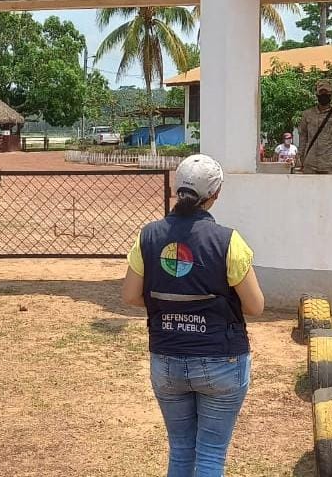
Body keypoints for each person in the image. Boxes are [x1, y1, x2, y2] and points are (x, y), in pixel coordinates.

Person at [122, 154, 265, 477]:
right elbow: (255, 306)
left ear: (176, 189)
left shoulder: (149, 236)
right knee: (211, 454)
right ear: (215, 194)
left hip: (167, 358)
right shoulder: (229, 241)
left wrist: (173, 307)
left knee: (181, 449)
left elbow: (130, 295)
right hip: (221, 360)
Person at [298, 79, 332, 174]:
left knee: (330, 188)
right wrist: (301, 156)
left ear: (331, 95)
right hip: (310, 163)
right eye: (321, 93)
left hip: (329, 164)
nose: (324, 95)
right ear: (317, 95)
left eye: (327, 93)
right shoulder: (307, 114)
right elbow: (303, 136)